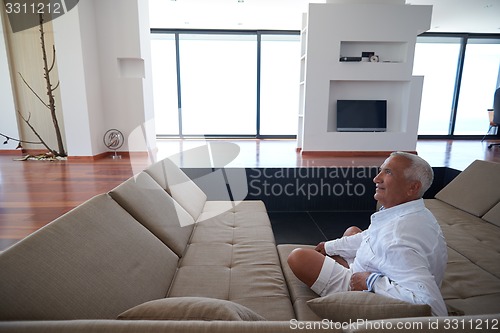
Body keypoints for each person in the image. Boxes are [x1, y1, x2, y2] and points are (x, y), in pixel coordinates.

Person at [287, 151, 448, 316]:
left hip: (369, 287)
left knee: (298, 257)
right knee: (352, 231)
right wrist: (330, 246)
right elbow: (371, 236)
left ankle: (347, 272)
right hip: (384, 269)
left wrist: (370, 282)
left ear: (412, 187)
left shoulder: (398, 239)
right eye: (381, 170)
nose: (376, 178)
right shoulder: (414, 213)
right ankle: (344, 264)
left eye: (388, 172)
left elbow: (434, 310)